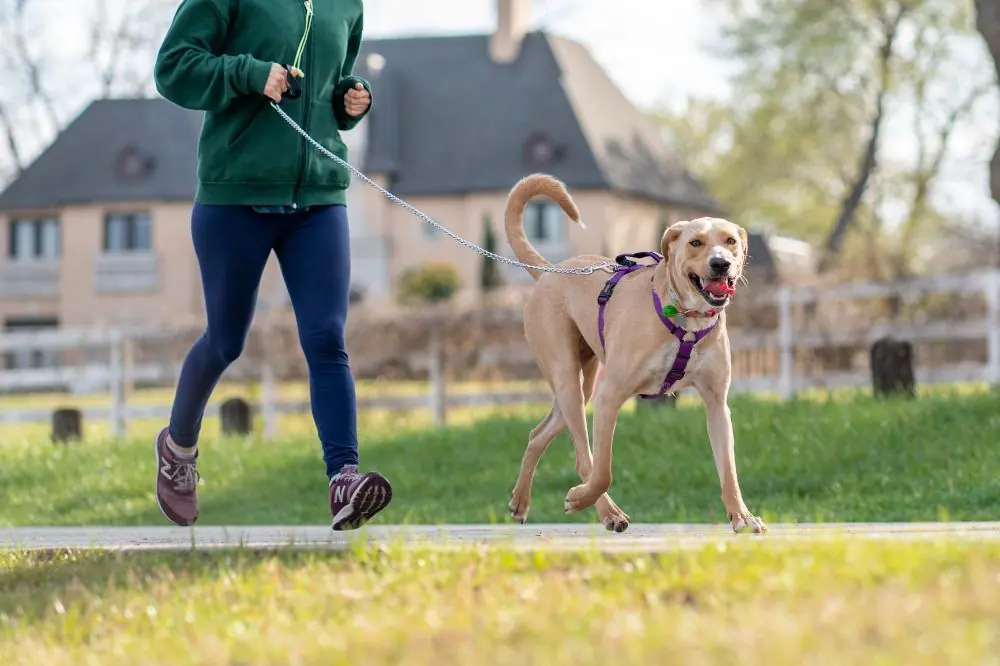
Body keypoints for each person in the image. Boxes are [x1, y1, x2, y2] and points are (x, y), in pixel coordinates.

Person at [150, 0, 392, 530]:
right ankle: (178, 450)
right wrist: (248, 72)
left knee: (327, 338)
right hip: (234, 194)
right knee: (225, 340)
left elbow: (331, 87)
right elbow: (173, 67)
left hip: (319, 198)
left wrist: (350, 101)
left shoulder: (346, 7)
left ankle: (343, 481)